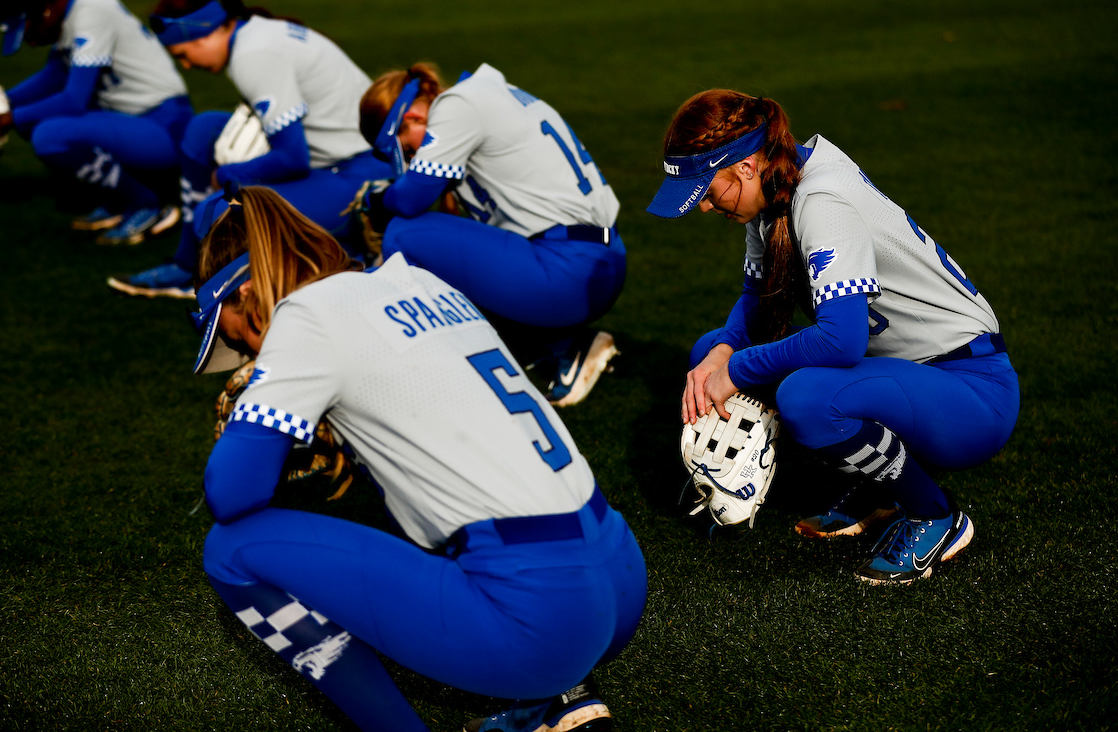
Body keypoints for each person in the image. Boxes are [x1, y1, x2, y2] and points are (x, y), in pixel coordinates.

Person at [189, 186, 646, 732]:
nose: (243, 355)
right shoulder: (419, 281)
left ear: (245, 294)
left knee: (231, 549)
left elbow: (232, 493)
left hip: (541, 612)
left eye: (236, 337)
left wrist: (257, 416)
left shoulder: (305, 314)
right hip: (619, 573)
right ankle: (551, 701)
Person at [648, 89, 1019, 585]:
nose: (704, 207)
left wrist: (735, 370)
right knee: (711, 352)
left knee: (807, 397)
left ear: (744, 168)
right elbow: (755, 307)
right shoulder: (779, 182)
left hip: (971, 389)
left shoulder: (820, 198)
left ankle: (935, 515)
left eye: (706, 189)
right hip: (910, 374)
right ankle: (881, 482)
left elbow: (841, 342)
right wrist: (721, 354)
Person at [356, 63, 626, 407]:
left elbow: (410, 199)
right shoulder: (485, 93)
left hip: (568, 272)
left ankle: (425, 370)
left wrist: (377, 201)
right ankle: (562, 344)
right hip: (596, 258)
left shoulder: (457, 106)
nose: (410, 157)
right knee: (446, 247)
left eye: (406, 149)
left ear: (411, 117)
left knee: (403, 232)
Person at [107, 0, 391, 298]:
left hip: (360, 180)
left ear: (205, 35)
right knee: (202, 130)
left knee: (214, 213)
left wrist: (228, 175)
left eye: (183, 55)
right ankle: (188, 263)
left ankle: (346, 251)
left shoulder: (253, 55)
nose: (186, 66)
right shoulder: (257, 32)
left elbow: (291, 159)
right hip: (347, 162)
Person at [0, 0, 191, 244]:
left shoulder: (90, 12)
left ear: (43, 9)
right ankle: (120, 198)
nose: (29, 42)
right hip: (139, 122)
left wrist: (9, 118)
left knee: (48, 134)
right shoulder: (73, 12)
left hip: (165, 126)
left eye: (27, 30)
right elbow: (53, 75)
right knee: (38, 124)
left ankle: (149, 203)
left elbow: (73, 100)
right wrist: (1, 102)